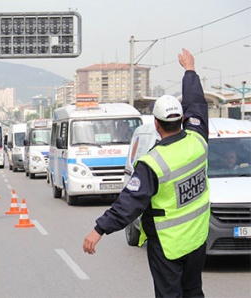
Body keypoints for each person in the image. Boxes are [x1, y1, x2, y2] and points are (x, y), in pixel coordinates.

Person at [82, 48, 210, 298]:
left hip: (168, 243)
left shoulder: (153, 162)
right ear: (182, 119)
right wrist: (190, 71)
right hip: (197, 235)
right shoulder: (198, 140)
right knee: (193, 291)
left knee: (169, 294)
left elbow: (129, 204)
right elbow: (197, 104)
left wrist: (98, 230)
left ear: (156, 123)